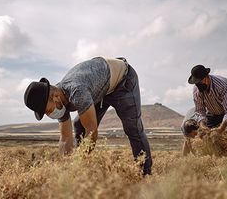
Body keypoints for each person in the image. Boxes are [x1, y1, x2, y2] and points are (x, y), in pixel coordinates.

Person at [23, 57, 152, 175]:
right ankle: (77, 172)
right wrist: (66, 168)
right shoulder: (58, 99)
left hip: (123, 80)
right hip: (101, 88)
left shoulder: (77, 92)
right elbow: (65, 138)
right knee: (79, 125)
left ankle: (145, 175)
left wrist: (79, 164)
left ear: (55, 97)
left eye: (46, 110)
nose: (48, 114)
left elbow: (92, 132)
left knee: (133, 128)